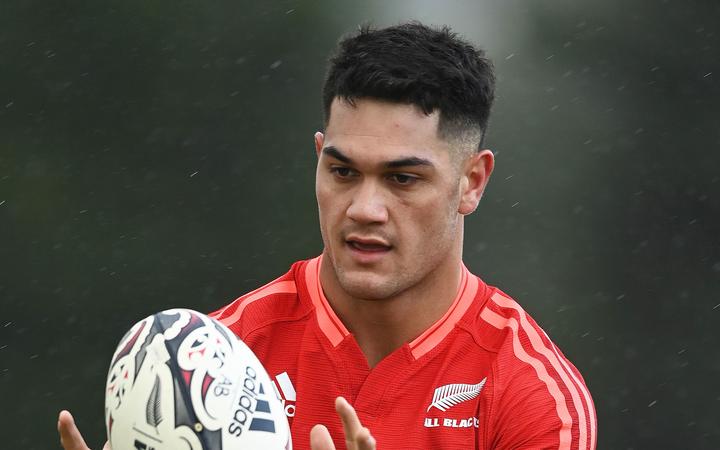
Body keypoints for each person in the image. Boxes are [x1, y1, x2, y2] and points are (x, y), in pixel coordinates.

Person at [59, 22, 597, 450]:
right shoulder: (217, 360)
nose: (364, 209)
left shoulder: (531, 397)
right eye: (342, 172)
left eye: (402, 179)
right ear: (318, 159)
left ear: (471, 183)